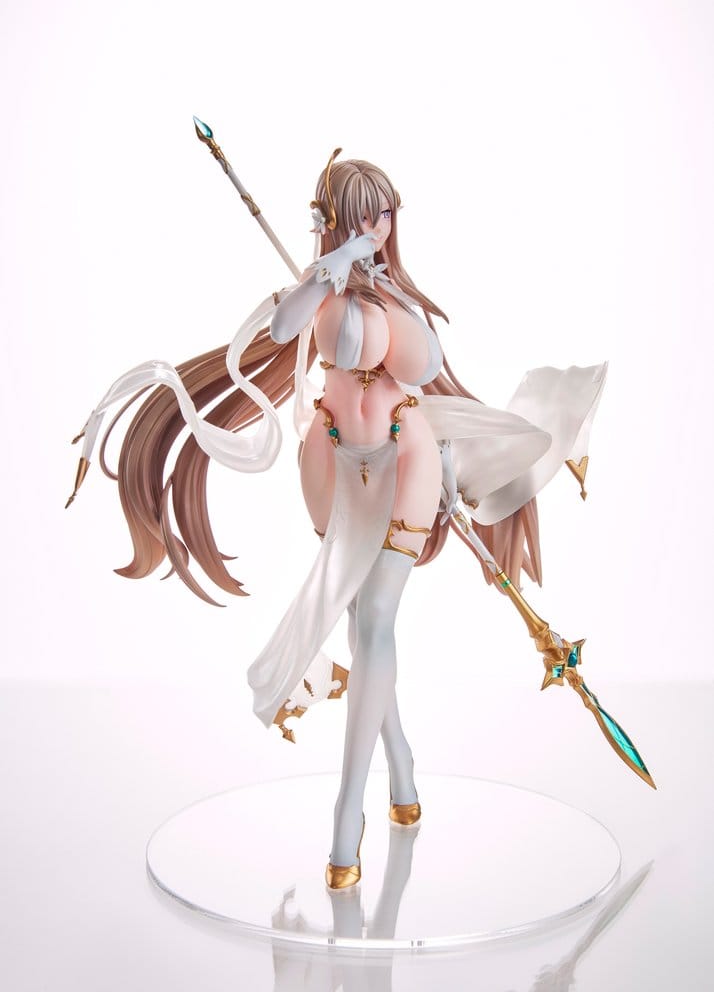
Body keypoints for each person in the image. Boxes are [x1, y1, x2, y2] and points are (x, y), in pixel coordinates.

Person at [68, 151, 608, 889]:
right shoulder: (320, 286)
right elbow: (283, 326)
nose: (379, 225)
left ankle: (347, 814)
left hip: (404, 461)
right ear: (336, 219)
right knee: (358, 623)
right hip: (330, 467)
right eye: (365, 212)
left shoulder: (401, 298)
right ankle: (402, 768)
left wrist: (373, 286)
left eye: (385, 212)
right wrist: (331, 267)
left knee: (376, 622)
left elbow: (425, 373)